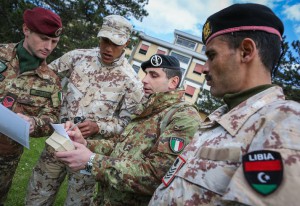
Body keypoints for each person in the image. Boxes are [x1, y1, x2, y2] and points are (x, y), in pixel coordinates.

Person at [149, 3, 300, 206]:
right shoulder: (217, 120)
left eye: (212, 56)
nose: (204, 68)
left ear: (246, 52)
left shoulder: (284, 122)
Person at [25, 15, 144, 205]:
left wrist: (99, 127)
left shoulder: (132, 82)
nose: (108, 48)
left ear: (127, 43)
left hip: (89, 150)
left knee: (78, 201)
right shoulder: (77, 57)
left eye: (116, 43)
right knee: (37, 196)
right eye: (105, 40)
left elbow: (127, 125)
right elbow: (46, 79)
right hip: (59, 138)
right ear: (99, 36)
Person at [55, 54, 202, 205]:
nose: (144, 80)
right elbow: (120, 147)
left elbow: (157, 176)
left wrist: (92, 161)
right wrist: (85, 144)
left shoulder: (184, 118)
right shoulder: (147, 109)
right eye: (146, 74)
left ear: (173, 82)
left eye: (154, 75)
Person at [0, 7, 62, 204]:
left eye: (54, 42)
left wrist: (35, 123)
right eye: (44, 38)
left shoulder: (51, 81)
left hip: (5, 157)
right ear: (26, 30)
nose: (49, 46)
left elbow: (52, 117)